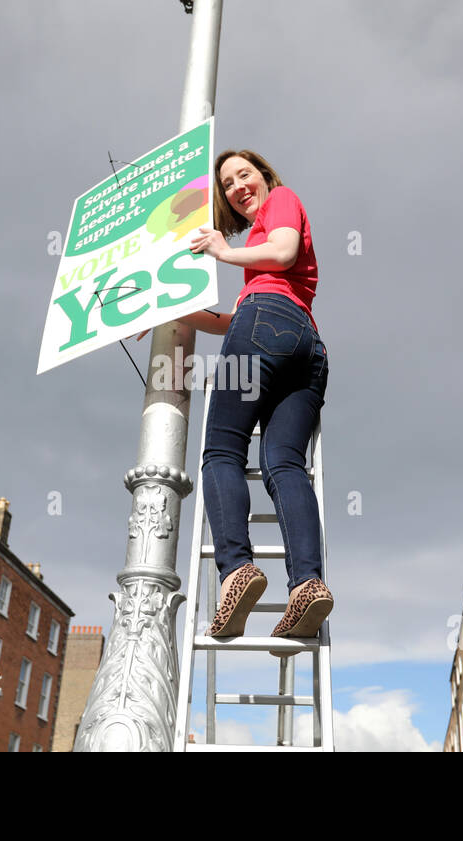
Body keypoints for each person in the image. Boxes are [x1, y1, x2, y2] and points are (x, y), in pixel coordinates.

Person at [138, 149, 331, 653]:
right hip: (302, 344)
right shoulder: (258, 262)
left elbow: (284, 252)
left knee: (221, 452)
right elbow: (236, 316)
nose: (237, 186)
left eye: (244, 174)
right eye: (227, 184)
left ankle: (237, 572)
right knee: (285, 465)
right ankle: (307, 585)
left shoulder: (283, 201)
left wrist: (222, 252)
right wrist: (166, 311)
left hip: (267, 325)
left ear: (266, 176)